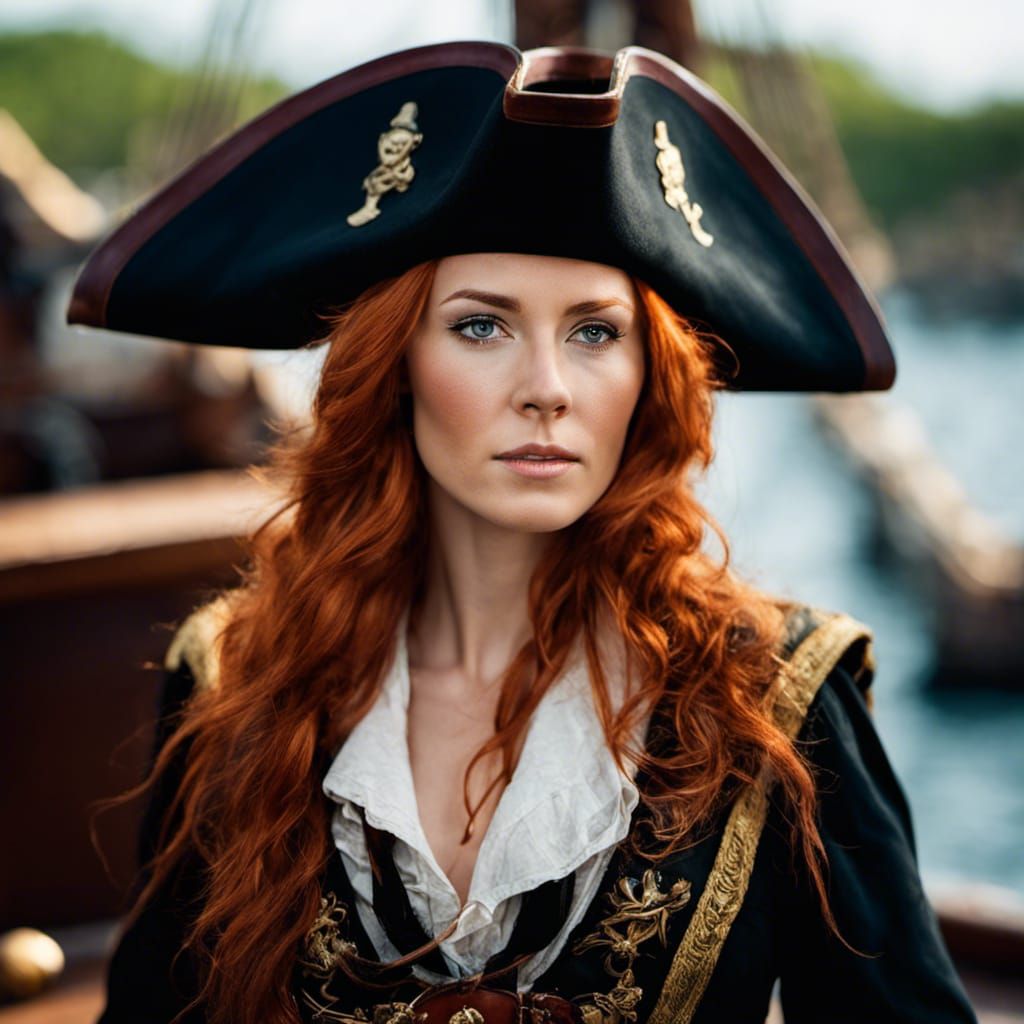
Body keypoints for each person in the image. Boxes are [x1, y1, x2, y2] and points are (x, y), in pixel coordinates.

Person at [69, 40, 978, 1024]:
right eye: (480, 326)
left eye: (594, 331)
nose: (546, 388)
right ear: (394, 367)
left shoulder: (783, 697)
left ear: (646, 377)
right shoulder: (238, 675)